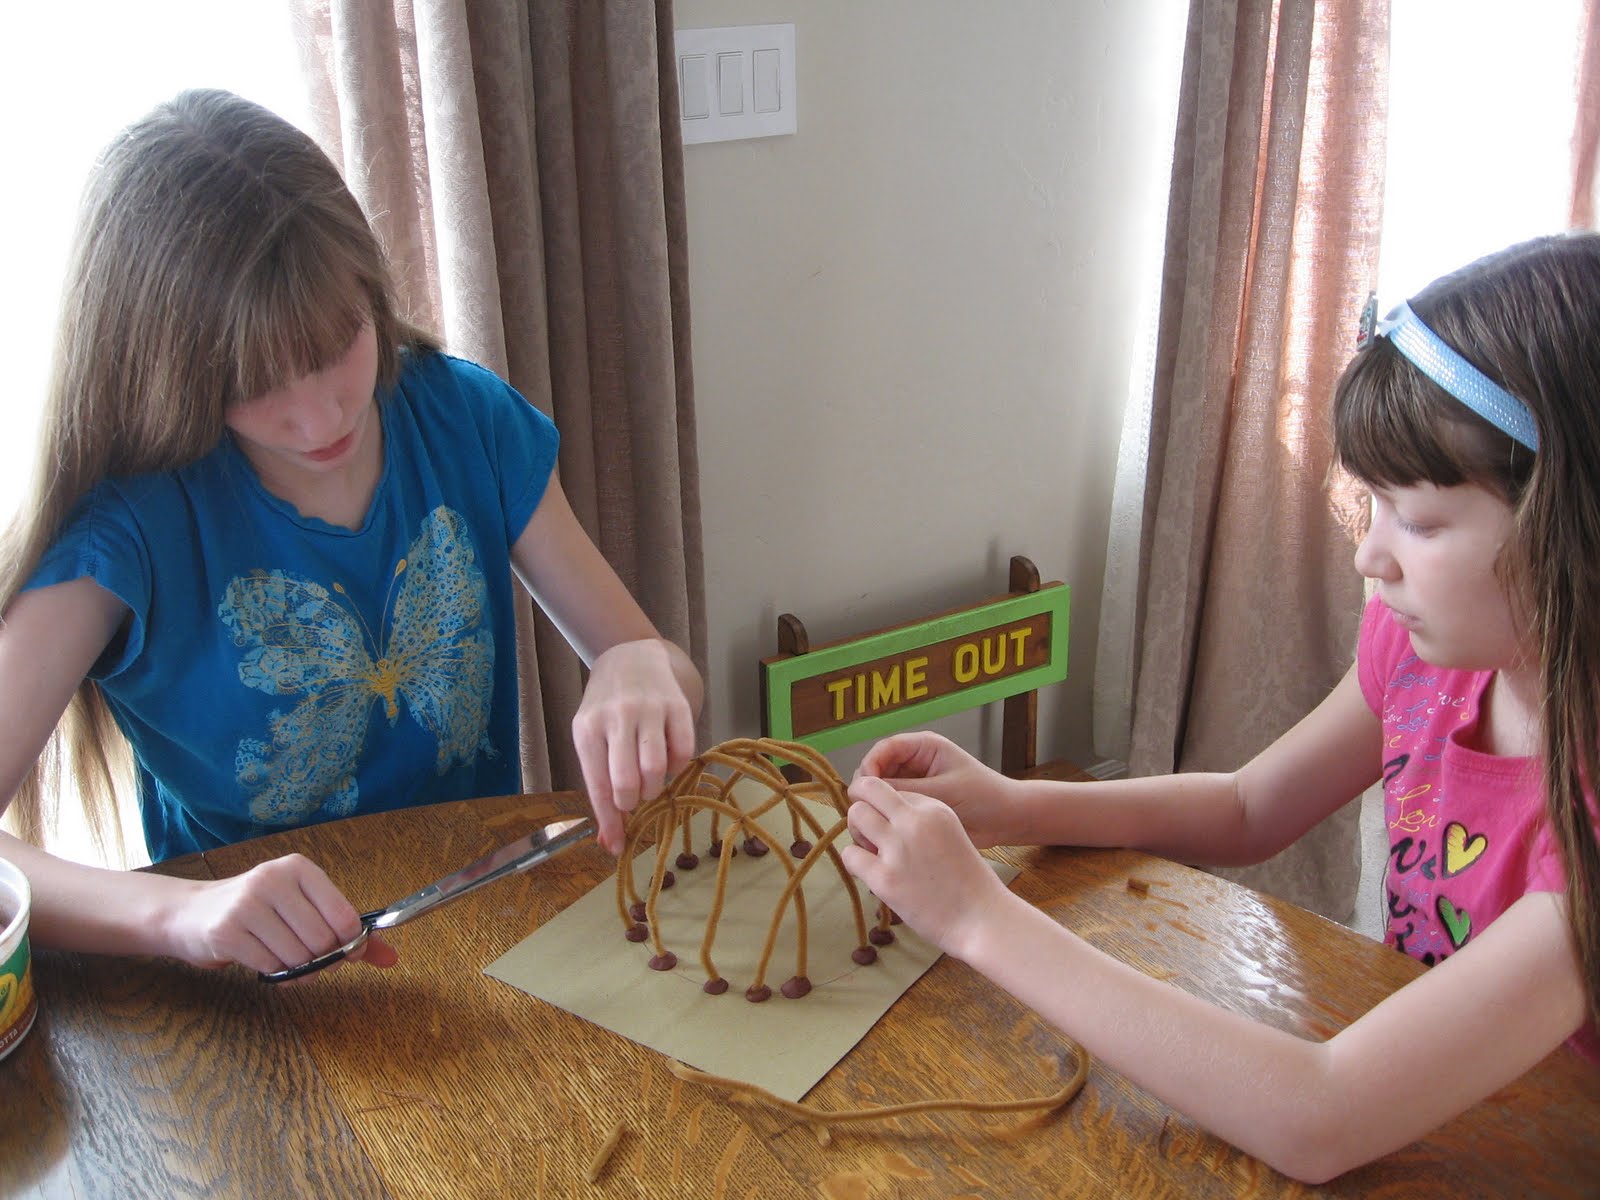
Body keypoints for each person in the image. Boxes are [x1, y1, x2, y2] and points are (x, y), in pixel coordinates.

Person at [841, 233, 1600, 1183]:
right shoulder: (1422, 658)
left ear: (1573, 523)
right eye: (1372, 508)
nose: (1373, 558)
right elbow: (1249, 807)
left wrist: (978, 918)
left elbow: (1319, 1115)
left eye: (1423, 520)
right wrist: (1011, 805)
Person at [0, 89, 701, 978]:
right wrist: (182, 915)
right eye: (254, 382)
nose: (320, 412)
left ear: (371, 288)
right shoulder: (128, 525)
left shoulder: (464, 419)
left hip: (490, 937)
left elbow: (659, 666)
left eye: (340, 341)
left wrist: (639, 668)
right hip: (255, 995)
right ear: (172, 374)